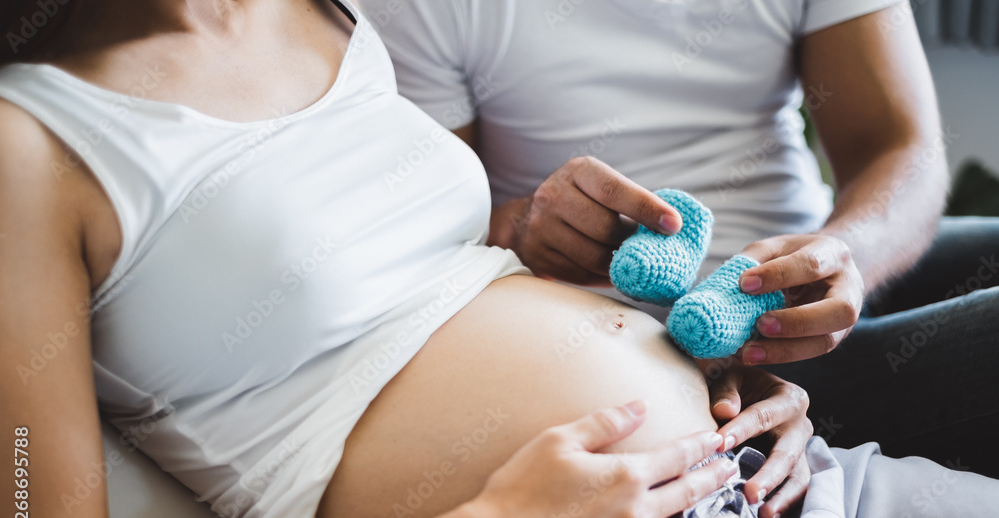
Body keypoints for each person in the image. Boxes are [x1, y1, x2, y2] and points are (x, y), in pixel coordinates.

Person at [0, 2, 999, 518]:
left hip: (777, 477)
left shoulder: (316, 14)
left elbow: (431, 289)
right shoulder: (29, 142)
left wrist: (700, 369)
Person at [364, 0, 999, 472]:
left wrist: (840, 256)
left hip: (809, 264)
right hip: (635, 343)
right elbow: (428, 230)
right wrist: (520, 226)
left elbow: (899, 148)